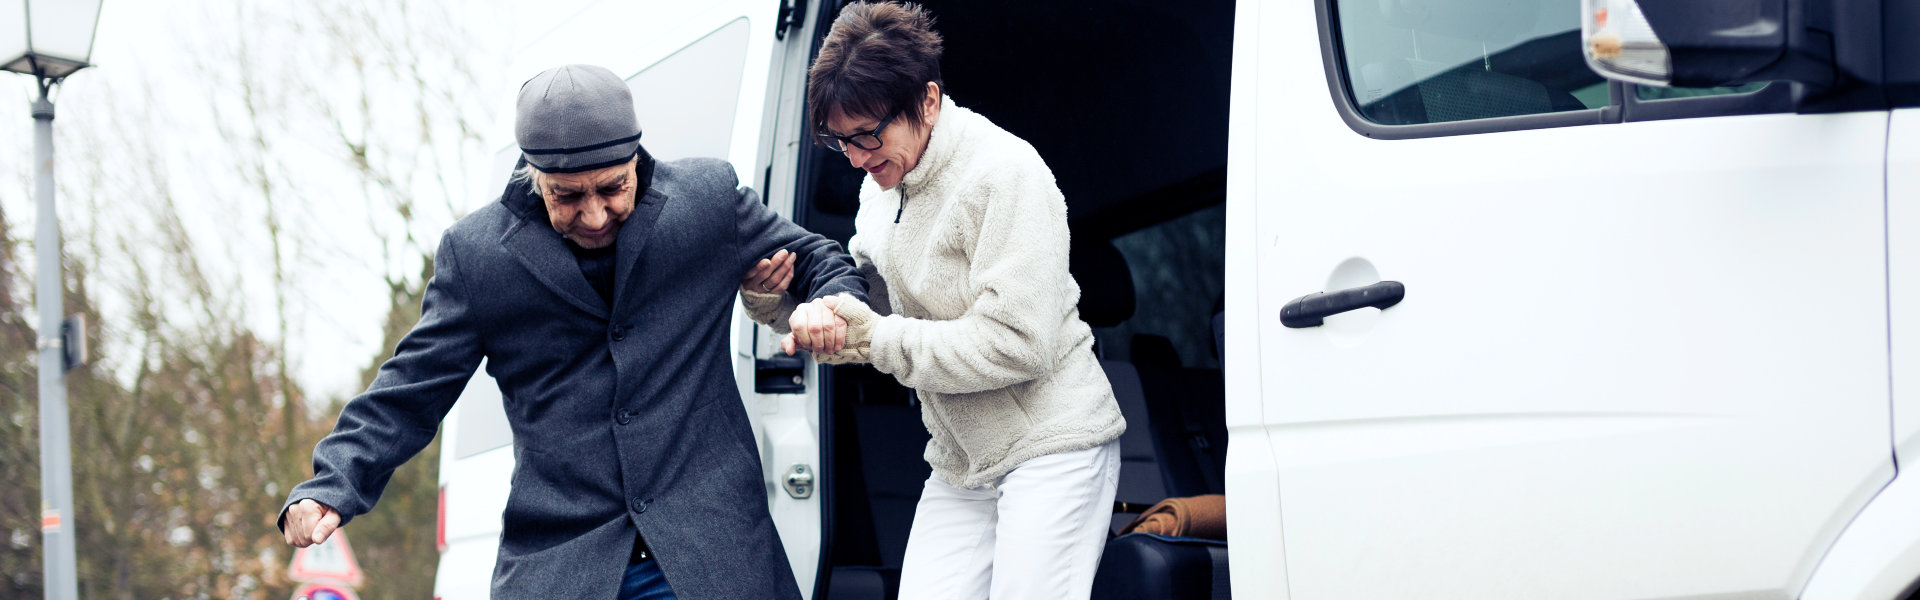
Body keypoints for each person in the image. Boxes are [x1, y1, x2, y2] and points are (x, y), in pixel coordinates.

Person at [277, 64, 867, 600]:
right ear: (534, 178)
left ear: (638, 161)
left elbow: (820, 258)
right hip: (564, 566)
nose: (594, 215)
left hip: (709, 556)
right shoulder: (478, 256)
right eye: (568, 196)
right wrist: (331, 483)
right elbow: (411, 388)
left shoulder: (706, 202)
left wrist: (830, 304)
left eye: (612, 188)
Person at [739, 3, 1126, 598]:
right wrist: (782, 305)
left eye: (870, 135)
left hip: (1055, 449)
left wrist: (872, 334)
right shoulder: (880, 190)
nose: (859, 158)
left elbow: (1017, 344)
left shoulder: (1005, 173)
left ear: (927, 101)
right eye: (842, 141)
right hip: (960, 461)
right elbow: (868, 305)